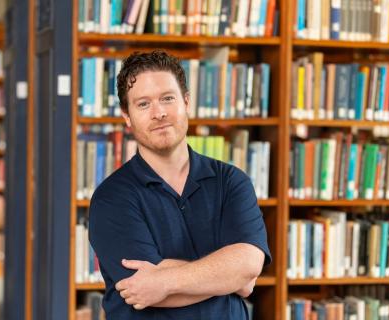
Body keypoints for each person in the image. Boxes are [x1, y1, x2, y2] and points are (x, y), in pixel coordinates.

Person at [88, 50, 271, 319]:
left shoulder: (231, 182)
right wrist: (227, 276)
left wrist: (163, 281)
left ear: (186, 102)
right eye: (143, 104)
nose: (158, 113)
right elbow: (140, 289)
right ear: (127, 116)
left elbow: (248, 266)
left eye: (167, 99)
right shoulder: (111, 199)